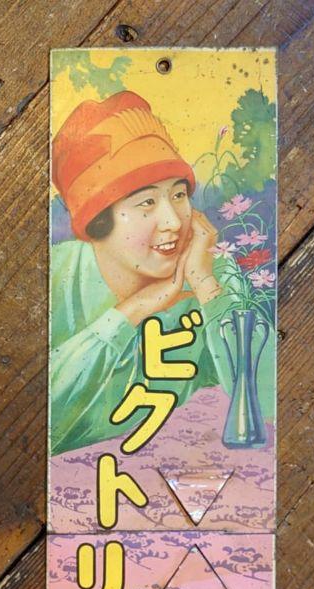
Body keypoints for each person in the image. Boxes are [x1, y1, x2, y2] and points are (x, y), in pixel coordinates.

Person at [49, 90, 239, 457]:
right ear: (98, 219)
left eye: (179, 196)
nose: (173, 222)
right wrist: (132, 311)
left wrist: (206, 287)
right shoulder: (57, 277)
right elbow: (45, 417)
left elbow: (262, 405)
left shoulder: (209, 270)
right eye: (147, 202)